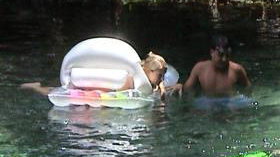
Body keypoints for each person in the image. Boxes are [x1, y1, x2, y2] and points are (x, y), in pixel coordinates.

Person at [21, 51, 169, 98]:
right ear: (149, 71)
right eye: (160, 75)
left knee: (58, 91)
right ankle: (35, 87)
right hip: (95, 93)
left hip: (96, 91)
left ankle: (37, 87)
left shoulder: (147, 82)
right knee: (57, 94)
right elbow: (118, 97)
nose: (161, 79)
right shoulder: (131, 79)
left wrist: (160, 85)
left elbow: (154, 83)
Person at [172, 35, 251, 97]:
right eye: (220, 55)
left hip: (229, 104)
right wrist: (180, 86)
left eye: (227, 56)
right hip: (208, 104)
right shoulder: (200, 68)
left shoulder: (237, 69)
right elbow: (187, 90)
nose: (224, 59)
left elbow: (248, 89)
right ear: (212, 52)